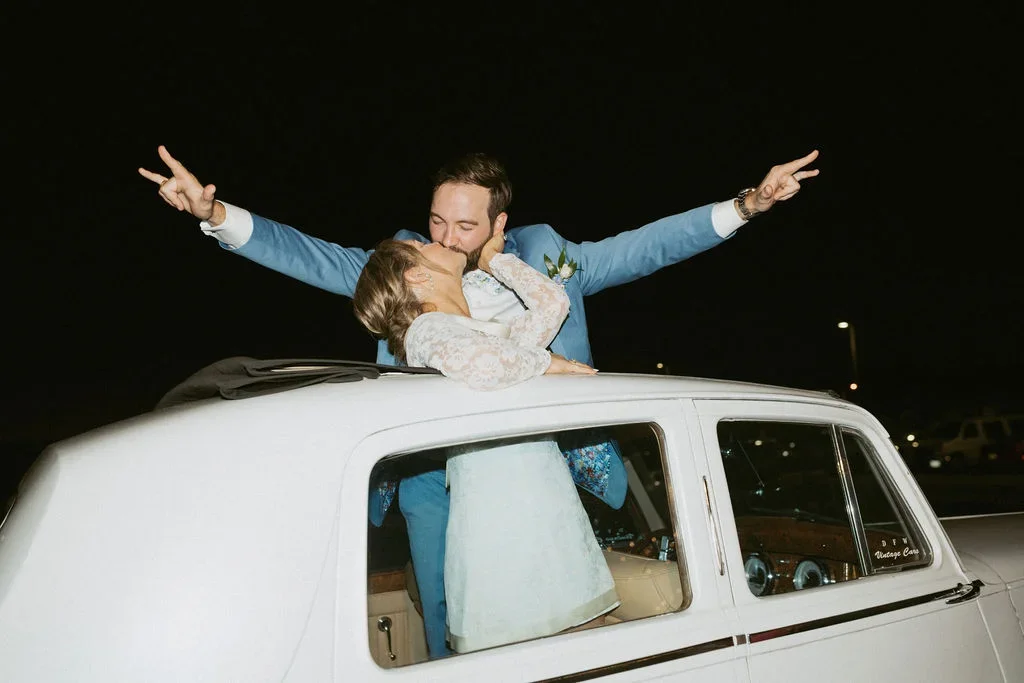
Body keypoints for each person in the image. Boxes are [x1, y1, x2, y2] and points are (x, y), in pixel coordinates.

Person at [139, 146, 819, 657]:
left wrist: (747, 204)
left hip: (534, 467)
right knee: (453, 616)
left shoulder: (545, 254)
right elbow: (312, 257)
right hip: (433, 469)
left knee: (557, 604)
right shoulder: (407, 260)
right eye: (436, 220)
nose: (444, 239)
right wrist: (215, 214)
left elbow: (642, 249)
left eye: (464, 227)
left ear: (500, 224)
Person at [352, 230, 618, 653]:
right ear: (418, 276)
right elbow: (479, 364)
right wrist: (547, 363)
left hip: (544, 515)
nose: (436, 240)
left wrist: (496, 259)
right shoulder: (427, 330)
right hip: (507, 531)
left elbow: (554, 305)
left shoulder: (476, 333)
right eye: (423, 247)